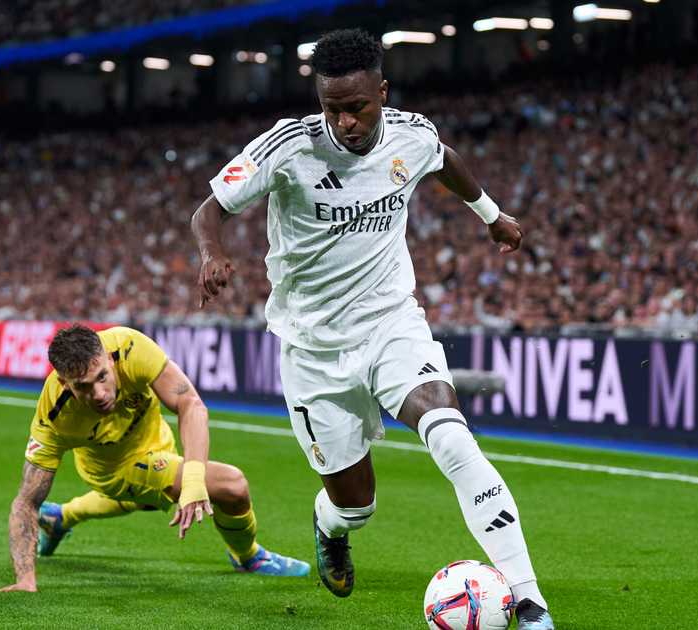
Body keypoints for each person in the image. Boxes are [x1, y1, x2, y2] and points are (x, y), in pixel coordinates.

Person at [190, 28, 554, 630]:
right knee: (355, 506)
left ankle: (530, 601)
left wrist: (491, 215)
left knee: (451, 435)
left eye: (357, 107)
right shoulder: (288, 147)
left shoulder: (412, 135)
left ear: (381, 93)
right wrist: (210, 254)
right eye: (331, 108)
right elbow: (209, 210)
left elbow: (445, 161)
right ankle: (331, 529)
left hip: (391, 323)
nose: (345, 122)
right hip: (311, 348)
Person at [0, 324, 308, 593]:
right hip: (112, 468)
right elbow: (25, 502)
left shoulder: (130, 347)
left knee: (147, 499)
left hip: (155, 439)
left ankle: (62, 517)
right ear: (65, 383)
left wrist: (194, 482)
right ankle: (249, 557)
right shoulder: (53, 416)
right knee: (232, 485)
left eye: (102, 376)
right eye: (84, 387)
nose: (100, 394)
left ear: (108, 356)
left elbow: (191, 404)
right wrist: (25, 579)